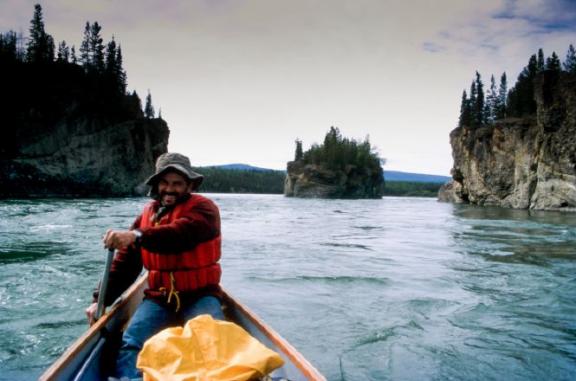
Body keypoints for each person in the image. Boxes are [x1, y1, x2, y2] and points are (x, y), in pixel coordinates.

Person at [85, 152, 225, 380]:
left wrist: (136, 235)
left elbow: (180, 234)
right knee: (132, 343)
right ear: (157, 184)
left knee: (213, 345)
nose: (170, 189)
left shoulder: (205, 210)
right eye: (165, 183)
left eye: (177, 184)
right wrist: (98, 299)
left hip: (200, 294)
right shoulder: (146, 215)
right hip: (159, 298)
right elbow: (125, 265)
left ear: (189, 185)